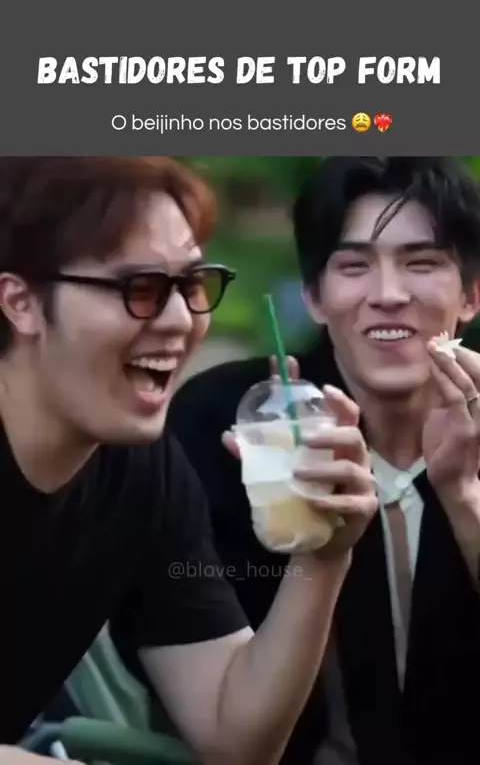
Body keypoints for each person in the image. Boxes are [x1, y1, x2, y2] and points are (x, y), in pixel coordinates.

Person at [0, 158, 376, 765]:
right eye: (140, 289)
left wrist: (323, 553)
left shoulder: (143, 471)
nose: (181, 321)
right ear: (20, 302)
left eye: (193, 285)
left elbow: (235, 737)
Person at [169, 156, 480, 765]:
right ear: (313, 296)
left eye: (421, 263)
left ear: (471, 294)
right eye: (354, 266)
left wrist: (464, 496)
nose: (388, 295)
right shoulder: (232, 426)